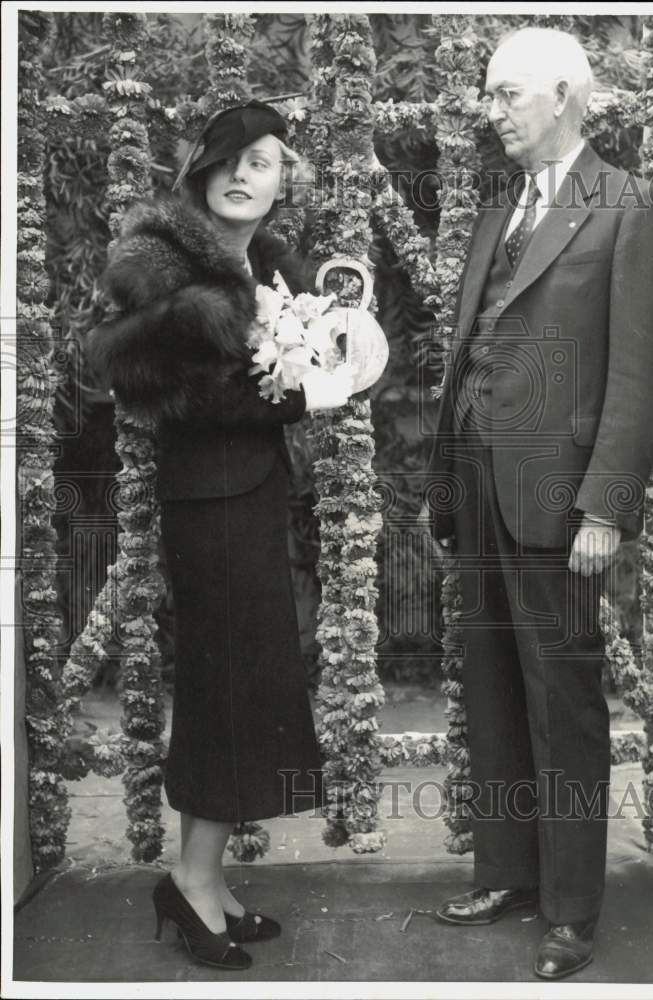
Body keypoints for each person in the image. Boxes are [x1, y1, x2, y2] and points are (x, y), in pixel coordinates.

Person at [425, 28, 653, 980]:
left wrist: (606, 508)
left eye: (507, 94)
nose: (491, 110)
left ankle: (572, 910)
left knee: (565, 705)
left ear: (568, 96)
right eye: (489, 94)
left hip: (562, 500)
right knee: (493, 691)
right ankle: (508, 874)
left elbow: (643, 377)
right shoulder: (502, 209)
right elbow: (470, 350)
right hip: (480, 488)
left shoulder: (631, 208)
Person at [87, 100, 352, 971]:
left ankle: (206, 879)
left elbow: (304, 355)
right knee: (222, 687)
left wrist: (327, 357)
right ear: (202, 169)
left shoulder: (271, 264)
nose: (244, 175)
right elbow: (168, 393)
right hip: (207, 501)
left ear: (282, 183)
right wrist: (300, 396)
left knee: (250, 684)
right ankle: (191, 880)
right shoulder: (158, 261)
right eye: (231, 159)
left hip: (255, 492)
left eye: (263, 162)